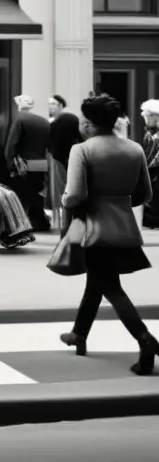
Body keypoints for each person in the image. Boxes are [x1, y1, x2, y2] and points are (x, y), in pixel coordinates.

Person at [59, 93, 157, 375]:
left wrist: (65, 201)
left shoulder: (83, 150)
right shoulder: (135, 149)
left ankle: (145, 338)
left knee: (110, 287)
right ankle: (79, 333)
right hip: (124, 225)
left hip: (93, 227)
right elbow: (144, 194)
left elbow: (75, 195)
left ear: (89, 124)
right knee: (98, 281)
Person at [5, 95, 51, 232]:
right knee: (36, 192)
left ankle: (23, 223)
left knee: (22, 193)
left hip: (24, 162)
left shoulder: (19, 120)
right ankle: (39, 221)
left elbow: (11, 145)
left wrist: (9, 163)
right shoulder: (44, 121)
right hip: (41, 161)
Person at [49, 110, 83, 235]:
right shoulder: (77, 146)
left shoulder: (53, 130)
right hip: (70, 162)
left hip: (56, 161)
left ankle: (59, 222)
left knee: (60, 192)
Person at [141, 99, 159, 230]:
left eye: (148, 115)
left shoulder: (154, 136)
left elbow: (151, 157)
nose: (146, 119)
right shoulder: (150, 134)